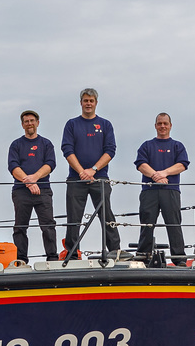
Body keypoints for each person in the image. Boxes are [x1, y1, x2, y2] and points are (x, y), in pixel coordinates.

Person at [61, 88, 119, 258]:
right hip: (76, 178)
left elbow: (110, 150)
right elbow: (67, 149)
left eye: (91, 101)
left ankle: (115, 250)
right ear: (81, 103)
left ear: (96, 103)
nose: (88, 104)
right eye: (85, 100)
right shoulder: (72, 124)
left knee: (106, 214)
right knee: (74, 217)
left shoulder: (105, 125)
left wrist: (93, 170)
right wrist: (81, 172)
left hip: (99, 177)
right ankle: (72, 252)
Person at [134, 113, 190, 266]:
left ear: (170, 125)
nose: (163, 126)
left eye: (165, 123)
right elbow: (141, 164)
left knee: (174, 224)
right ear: (155, 126)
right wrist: (155, 176)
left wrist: (164, 173)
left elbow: (182, 164)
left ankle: (179, 259)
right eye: (160, 123)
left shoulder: (177, 146)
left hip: (170, 191)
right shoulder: (146, 145)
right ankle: (143, 257)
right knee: (147, 223)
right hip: (149, 191)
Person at [8, 110, 59, 263]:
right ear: (22, 125)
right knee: (20, 227)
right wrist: (28, 182)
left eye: (32, 120)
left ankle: (52, 258)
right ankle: (21, 259)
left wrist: (35, 178)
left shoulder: (46, 144)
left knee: (48, 225)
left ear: (38, 122)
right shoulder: (16, 144)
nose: (29, 123)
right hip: (21, 191)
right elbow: (12, 166)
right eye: (26, 121)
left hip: (43, 190)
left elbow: (50, 164)